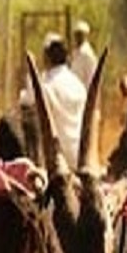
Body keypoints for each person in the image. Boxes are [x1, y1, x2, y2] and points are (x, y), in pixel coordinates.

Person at [35, 33, 87, 168]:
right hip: (78, 156)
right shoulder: (78, 85)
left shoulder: (47, 86)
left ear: (47, 57)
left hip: (56, 162)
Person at [70, 19, 98, 88]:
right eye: (76, 34)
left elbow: (91, 77)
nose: (77, 37)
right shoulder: (75, 52)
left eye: (80, 34)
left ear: (85, 36)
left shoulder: (88, 54)